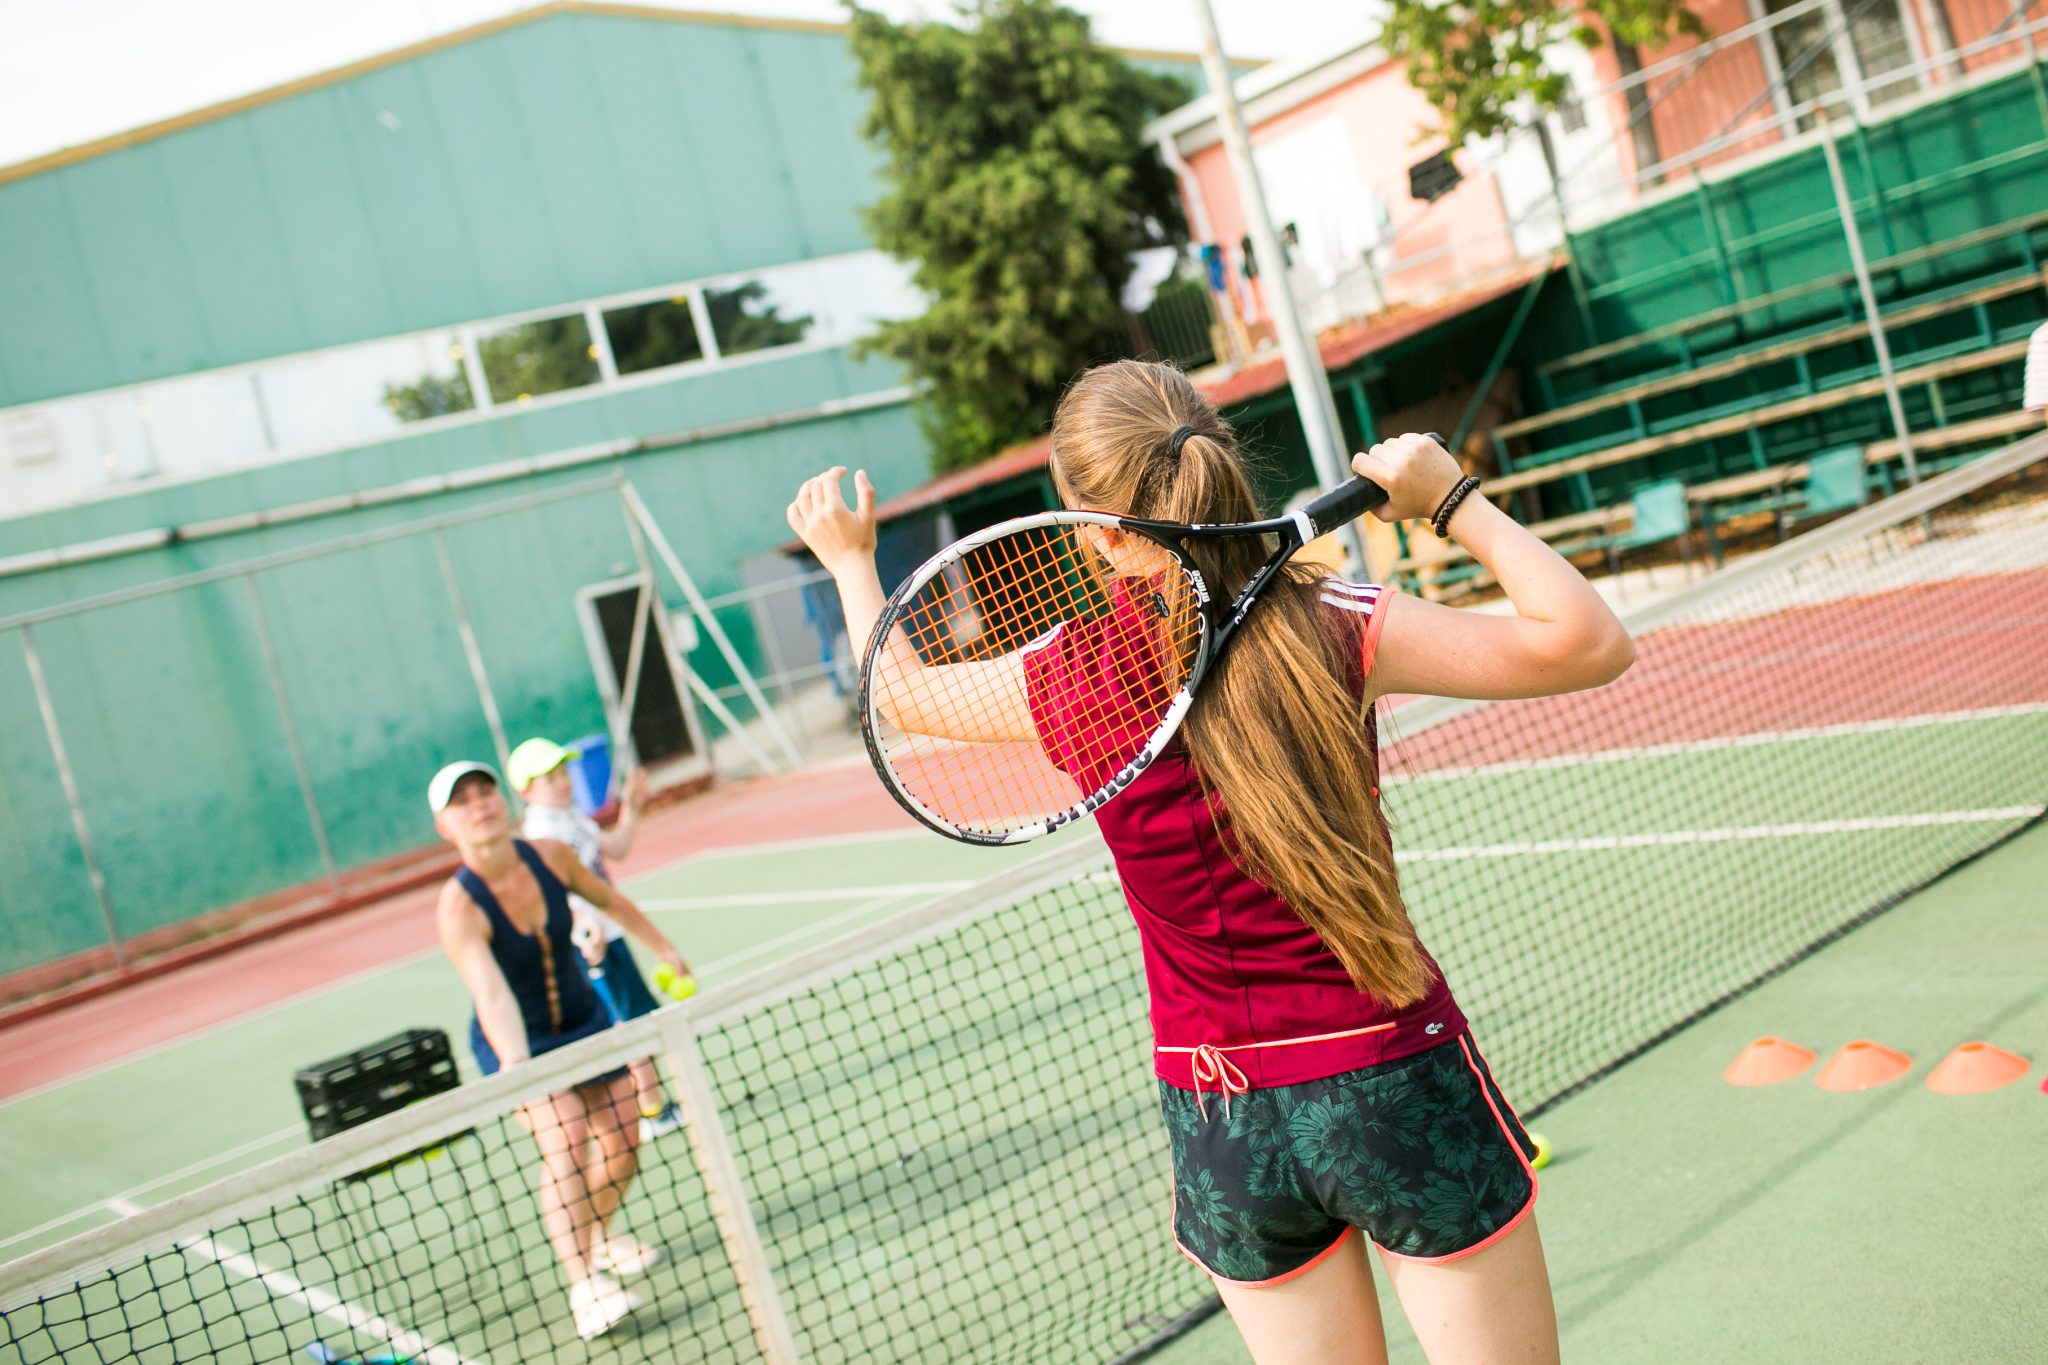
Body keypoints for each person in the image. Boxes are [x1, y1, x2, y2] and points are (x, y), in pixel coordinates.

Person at [785, 359, 1634, 1365]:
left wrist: (849, 561)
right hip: (1386, 1078)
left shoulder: (1068, 676)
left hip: (1218, 1114)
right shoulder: (1335, 628)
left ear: (1087, 527)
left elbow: (899, 691)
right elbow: (1587, 643)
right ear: (1213, 464)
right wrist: (1451, 500)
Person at [428, 760, 690, 1340]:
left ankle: (596, 1238)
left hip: (583, 1019)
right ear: (446, 826)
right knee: (568, 1138)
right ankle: (584, 1285)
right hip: (516, 1040)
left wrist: (663, 948)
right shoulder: (460, 907)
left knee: (624, 1141)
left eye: (485, 791)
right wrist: (520, 1072)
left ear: (503, 801)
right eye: (461, 801)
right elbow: (492, 994)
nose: (479, 804)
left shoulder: (549, 856)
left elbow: (610, 902)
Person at [506, 737, 684, 1141]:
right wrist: (582, 921)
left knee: (639, 1019)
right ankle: (653, 1111)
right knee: (629, 1026)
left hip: (614, 933)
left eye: (563, 772)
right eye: (549, 778)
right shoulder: (539, 835)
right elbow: (547, 896)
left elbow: (616, 849)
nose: (562, 782)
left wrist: (631, 810)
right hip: (590, 946)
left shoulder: (572, 817)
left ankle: (653, 1105)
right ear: (526, 791)